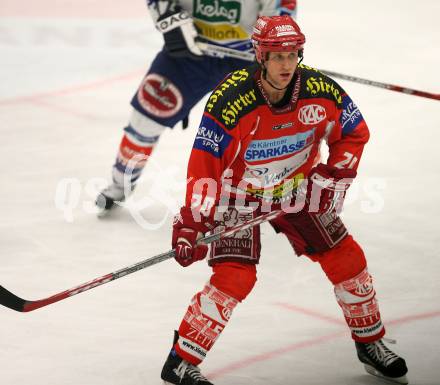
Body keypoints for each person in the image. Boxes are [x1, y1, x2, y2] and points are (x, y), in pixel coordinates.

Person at [161, 15, 409, 385]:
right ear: (260, 55)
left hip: (296, 188)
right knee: (234, 276)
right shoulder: (230, 102)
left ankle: (370, 343)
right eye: (277, 56)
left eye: (292, 55)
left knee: (347, 258)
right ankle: (180, 362)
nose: (285, 65)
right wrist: (193, 223)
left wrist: (334, 175)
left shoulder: (320, 91)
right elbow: (204, 167)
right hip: (237, 195)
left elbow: (354, 132)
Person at [96, 0, 298, 214]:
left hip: (246, 59)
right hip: (187, 56)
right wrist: (170, 21)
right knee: (145, 119)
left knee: (267, 126)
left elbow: (282, 13)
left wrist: (272, 47)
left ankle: (275, 189)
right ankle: (120, 185)